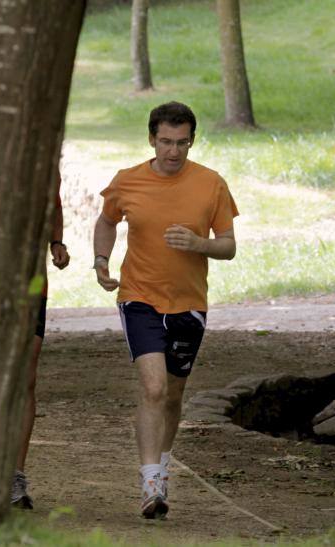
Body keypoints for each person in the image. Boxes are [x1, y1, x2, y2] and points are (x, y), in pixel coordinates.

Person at [93, 102, 238, 519]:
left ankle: (163, 460)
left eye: (182, 143)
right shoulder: (128, 181)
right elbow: (107, 221)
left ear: (192, 141)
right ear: (151, 139)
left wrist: (199, 244)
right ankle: (151, 481)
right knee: (153, 388)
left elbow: (228, 245)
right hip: (139, 296)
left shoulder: (211, 184)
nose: (174, 152)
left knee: (174, 393)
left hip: (189, 303)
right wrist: (102, 261)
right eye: (166, 142)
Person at [11, 177, 70, 509]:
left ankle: (14, 477)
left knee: (26, 379)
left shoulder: (42, 159)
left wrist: (56, 242)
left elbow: (55, 203)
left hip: (32, 285)